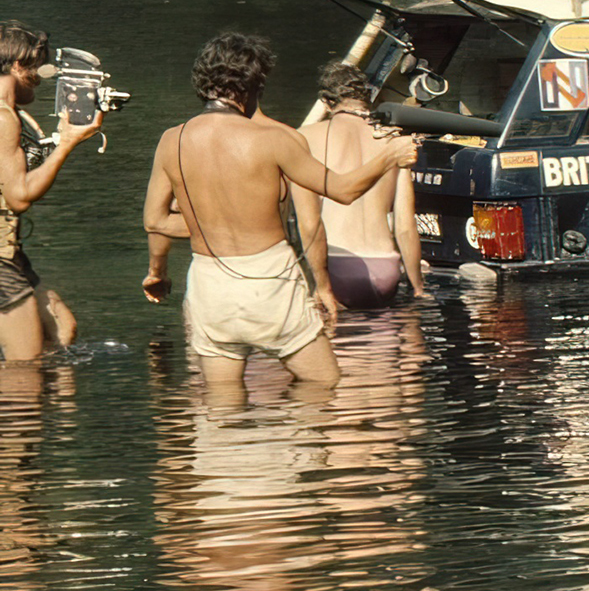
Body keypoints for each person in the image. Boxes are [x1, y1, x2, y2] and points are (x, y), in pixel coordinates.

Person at [141, 33, 417, 389]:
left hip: (208, 283)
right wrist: (390, 157)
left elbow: (155, 221)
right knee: (323, 382)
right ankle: (290, 443)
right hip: (267, 279)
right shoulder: (273, 139)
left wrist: (172, 259)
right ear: (251, 86)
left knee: (223, 400)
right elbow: (343, 190)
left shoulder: (171, 140)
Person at [0, 21, 104, 361]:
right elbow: (19, 196)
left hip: (11, 253)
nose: (41, 77)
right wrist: (68, 144)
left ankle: (56, 411)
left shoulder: (11, 112)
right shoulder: (3, 117)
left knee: (62, 327)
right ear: (17, 66)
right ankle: (23, 409)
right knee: (26, 365)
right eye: (37, 66)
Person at [297, 61, 427, 309]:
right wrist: (418, 288)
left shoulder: (307, 136)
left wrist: (317, 283)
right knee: (382, 345)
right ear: (367, 99)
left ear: (326, 102)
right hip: (386, 267)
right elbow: (405, 225)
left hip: (337, 268)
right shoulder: (393, 141)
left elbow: (308, 221)